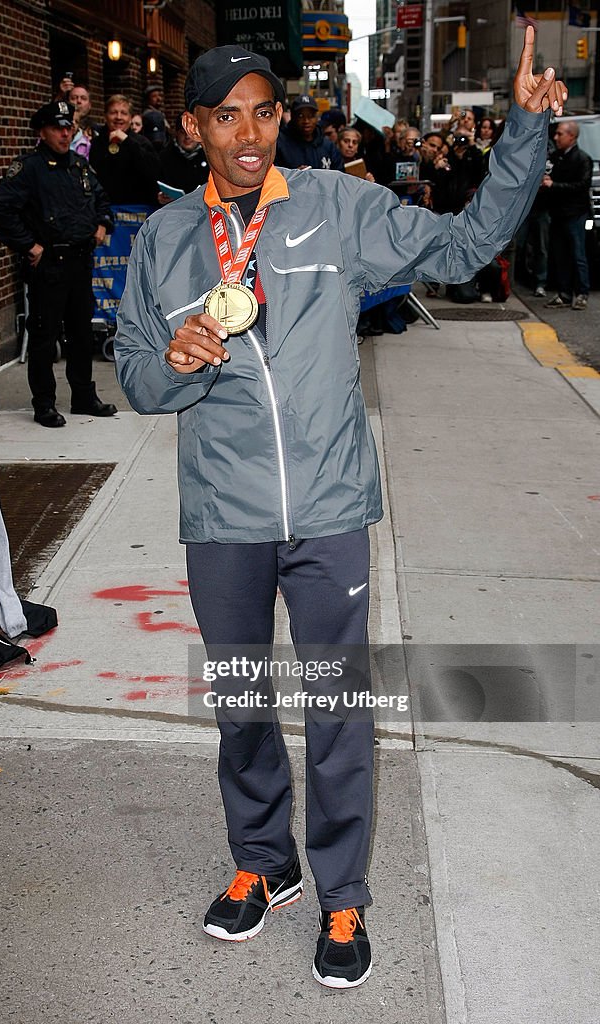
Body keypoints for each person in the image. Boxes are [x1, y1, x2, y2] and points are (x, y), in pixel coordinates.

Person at [114, 35, 565, 990]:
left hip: (325, 510)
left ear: (282, 118)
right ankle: (262, 863)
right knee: (240, 701)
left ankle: (343, 891)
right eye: (226, 114)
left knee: (337, 710)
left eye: (264, 111)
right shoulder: (161, 242)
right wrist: (177, 363)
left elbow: (461, 243)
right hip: (223, 515)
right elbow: (138, 381)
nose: (248, 133)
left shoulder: (333, 206)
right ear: (194, 127)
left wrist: (523, 130)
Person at [0, 101, 117, 427]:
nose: (64, 132)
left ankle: (84, 396)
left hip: (80, 261)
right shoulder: (29, 168)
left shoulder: (80, 166)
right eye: (58, 128)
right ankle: (44, 403)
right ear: (42, 131)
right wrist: (28, 245)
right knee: (45, 337)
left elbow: (102, 199)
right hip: (48, 265)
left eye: (68, 127)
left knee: (81, 334)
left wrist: (102, 224)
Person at [542, 119, 592, 310]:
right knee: (560, 255)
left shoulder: (582, 159)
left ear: (572, 136)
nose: (556, 137)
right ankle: (563, 293)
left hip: (575, 213)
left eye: (560, 134)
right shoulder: (555, 157)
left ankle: (581, 293)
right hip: (558, 213)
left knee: (578, 254)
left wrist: (554, 185)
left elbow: (582, 185)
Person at [88, 94, 162, 206]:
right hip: (106, 209)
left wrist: (127, 142)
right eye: (113, 112)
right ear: (105, 116)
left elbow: (154, 171)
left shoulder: (141, 142)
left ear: (130, 118)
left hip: (138, 209)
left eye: (124, 113)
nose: (118, 117)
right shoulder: (97, 142)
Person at [276, 94, 344, 170]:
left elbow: (339, 175)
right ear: (293, 116)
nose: (306, 121)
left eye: (311, 116)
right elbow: (272, 177)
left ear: (317, 117)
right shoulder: (279, 144)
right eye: (301, 116)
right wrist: (293, 176)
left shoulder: (328, 146)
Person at [158, 113, 209, 194]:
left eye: (191, 132)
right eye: (183, 132)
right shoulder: (164, 157)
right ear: (176, 133)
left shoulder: (210, 156)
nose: (187, 137)